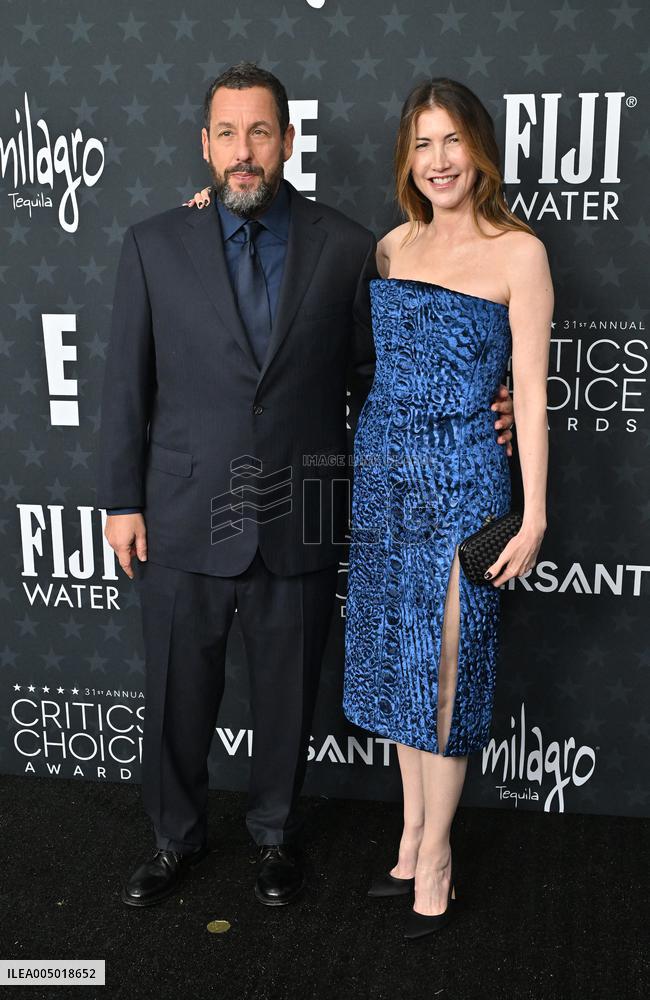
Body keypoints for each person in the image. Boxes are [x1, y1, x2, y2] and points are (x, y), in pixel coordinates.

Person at [97, 62, 515, 910]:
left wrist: (487, 397)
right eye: (227, 133)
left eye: (261, 132)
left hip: (301, 509)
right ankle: (174, 840)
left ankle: (277, 838)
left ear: (288, 141)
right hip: (182, 510)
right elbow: (124, 386)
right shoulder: (152, 244)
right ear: (206, 145)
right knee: (178, 689)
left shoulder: (350, 245)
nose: (244, 151)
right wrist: (121, 501)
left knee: (289, 693)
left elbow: (387, 368)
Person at [342, 78, 552, 940]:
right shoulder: (389, 248)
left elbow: (531, 396)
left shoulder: (519, 254)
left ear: (479, 150)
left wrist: (534, 515)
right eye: (423, 144)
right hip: (384, 483)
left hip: (467, 484)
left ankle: (439, 860)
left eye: (453, 142)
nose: (439, 162)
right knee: (399, 670)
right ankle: (409, 834)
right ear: (407, 158)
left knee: (445, 677)